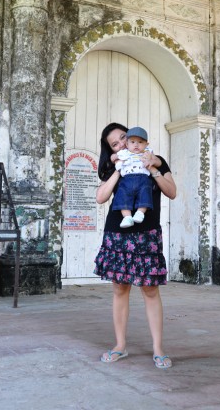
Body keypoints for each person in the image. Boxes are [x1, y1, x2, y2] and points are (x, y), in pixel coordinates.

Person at [94, 122, 177, 369]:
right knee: (120, 289)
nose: (121, 144)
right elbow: (100, 197)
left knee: (150, 289)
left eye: (123, 138)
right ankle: (120, 345)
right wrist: (119, 170)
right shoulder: (115, 166)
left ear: (133, 138)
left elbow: (172, 192)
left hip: (147, 232)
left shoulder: (155, 159)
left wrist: (152, 168)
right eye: (114, 144)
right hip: (117, 233)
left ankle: (158, 348)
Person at [111, 126, 154, 228]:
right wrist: (117, 158)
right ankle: (127, 217)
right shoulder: (124, 152)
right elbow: (112, 157)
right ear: (127, 144)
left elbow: (157, 161)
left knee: (145, 193)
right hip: (127, 179)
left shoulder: (147, 152)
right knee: (122, 195)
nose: (136, 145)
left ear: (146, 144)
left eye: (140, 142)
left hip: (143, 178)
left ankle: (140, 213)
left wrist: (151, 160)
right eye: (133, 142)